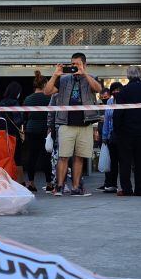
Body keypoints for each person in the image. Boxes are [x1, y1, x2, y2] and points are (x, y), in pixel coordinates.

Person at [43, 52, 102, 196]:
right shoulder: (63, 79)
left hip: (85, 123)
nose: (74, 66)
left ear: (84, 64)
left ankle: (76, 187)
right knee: (63, 156)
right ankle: (60, 186)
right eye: (72, 64)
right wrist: (56, 74)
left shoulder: (91, 78)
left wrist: (84, 74)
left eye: (77, 64)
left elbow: (98, 89)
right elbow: (47, 92)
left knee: (79, 157)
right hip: (66, 123)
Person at [112, 66, 141, 196]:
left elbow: (118, 113)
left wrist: (117, 130)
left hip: (125, 132)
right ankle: (140, 189)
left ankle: (126, 189)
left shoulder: (123, 92)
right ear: (140, 75)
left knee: (125, 161)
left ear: (128, 76)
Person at [21, 72, 53, 192]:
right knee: (47, 157)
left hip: (31, 129)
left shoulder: (28, 99)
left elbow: (24, 116)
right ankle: (49, 183)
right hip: (46, 130)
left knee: (32, 157)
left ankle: (31, 182)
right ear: (45, 84)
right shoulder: (49, 98)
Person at [99, 81, 123, 193]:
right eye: (114, 90)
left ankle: (123, 185)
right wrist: (104, 136)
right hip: (111, 136)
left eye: (118, 89)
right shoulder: (109, 101)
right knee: (112, 161)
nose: (116, 92)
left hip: (123, 135)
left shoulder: (125, 100)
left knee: (123, 161)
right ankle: (111, 184)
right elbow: (107, 120)